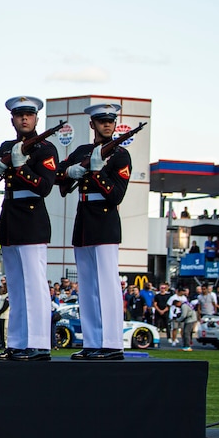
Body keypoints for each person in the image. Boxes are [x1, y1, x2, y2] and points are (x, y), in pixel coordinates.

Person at [0, 94, 58, 361]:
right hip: (10, 218)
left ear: (36, 118)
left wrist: (20, 166)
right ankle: (16, 343)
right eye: (19, 115)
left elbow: (45, 187)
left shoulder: (45, 149)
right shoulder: (7, 145)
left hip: (32, 219)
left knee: (35, 285)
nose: (24, 118)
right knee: (15, 287)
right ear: (12, 119)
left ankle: (38, 344)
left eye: (29, 114)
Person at [56, 103, 131, 360]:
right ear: (92, 125)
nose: (107, 125)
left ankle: (111, 344)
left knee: (108, 286)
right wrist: (70, 171)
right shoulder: (82, 151)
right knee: (87, 287)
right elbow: (56, 174)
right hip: (84, 222)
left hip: (106, 222)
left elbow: (116, 195)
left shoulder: (120, 155)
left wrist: (97, 172)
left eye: (110, 120)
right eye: (101, 121)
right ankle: (92, 342)